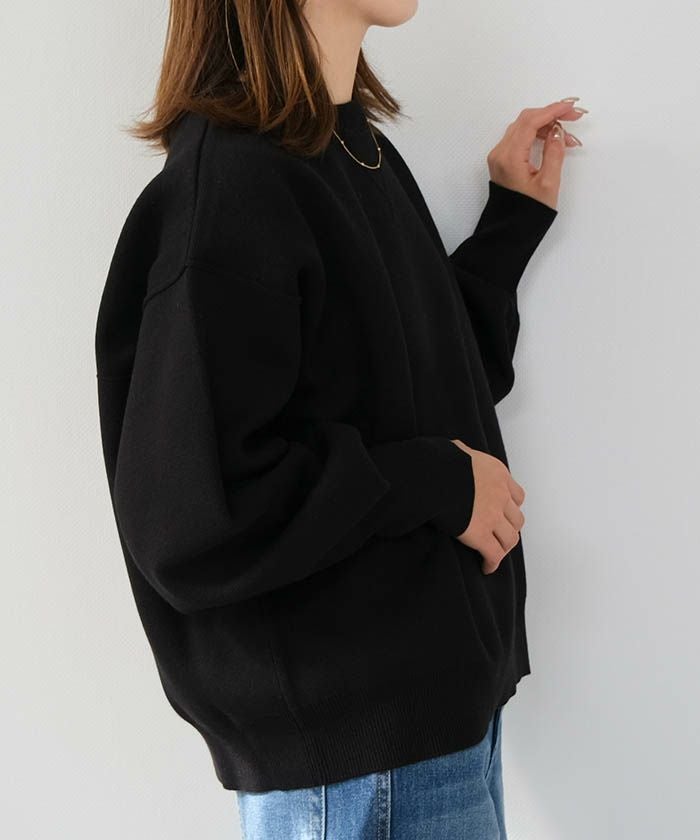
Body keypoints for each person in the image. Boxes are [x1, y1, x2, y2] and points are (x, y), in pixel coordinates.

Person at [94, 1, 585, 837]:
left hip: (422, 734)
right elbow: (193, 516)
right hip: (361, 764)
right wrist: (436, 482)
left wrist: (510, 225)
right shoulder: (234, 187)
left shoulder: (348, 147)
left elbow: (425, 382)